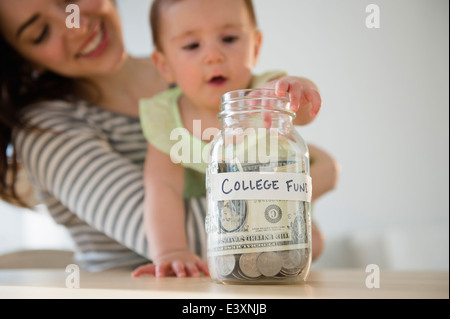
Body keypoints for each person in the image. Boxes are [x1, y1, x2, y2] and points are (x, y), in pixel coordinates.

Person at [0, 0, 336, 274]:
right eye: (41, 32)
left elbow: (297, 111)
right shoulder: (49, 130)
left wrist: (300, 93)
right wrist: (309, 181)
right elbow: (192, 230)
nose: (75, 24)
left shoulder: (242, 87)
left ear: (255, 44)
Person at [133, 0, 334, 278]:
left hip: (275, 221)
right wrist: (170, 252)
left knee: (315, 242)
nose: (213, 55)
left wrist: (294, 89)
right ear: (164, 64)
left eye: (229, 39)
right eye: (192, 45)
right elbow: (161, 187)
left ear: (255, 46)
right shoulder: (166, 118)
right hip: (219, 232)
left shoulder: (267, 92)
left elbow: (303, 113)